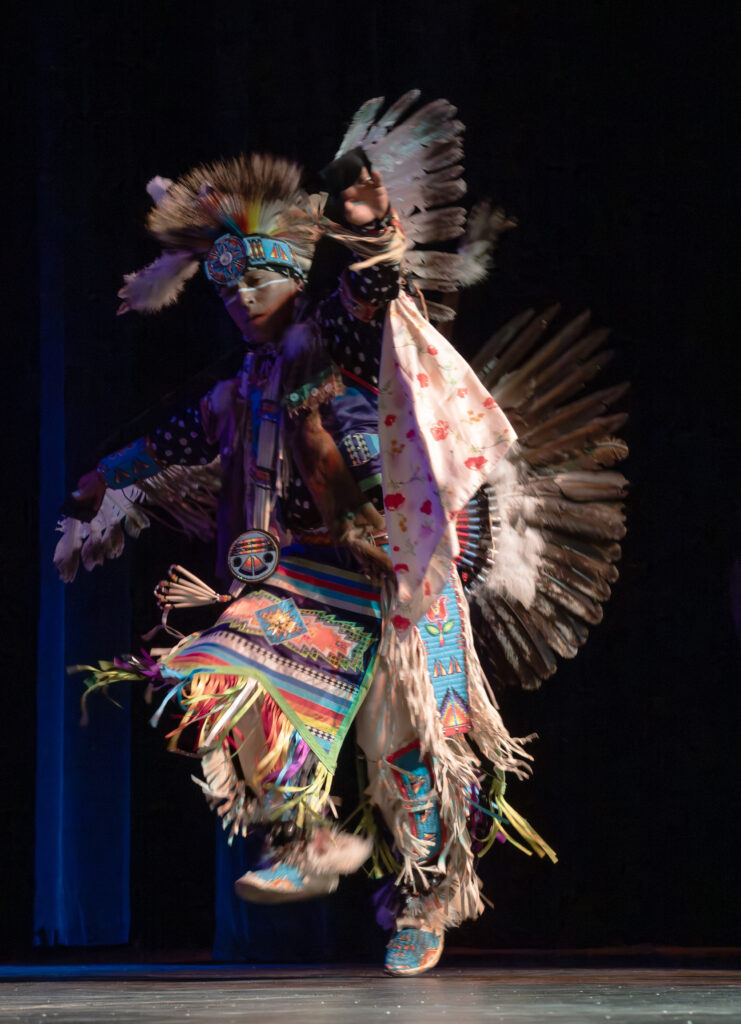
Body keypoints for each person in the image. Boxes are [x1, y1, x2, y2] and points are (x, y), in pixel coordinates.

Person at [58, 93, 627, 977]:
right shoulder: (237, 391)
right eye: (226, 286)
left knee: (404, 745)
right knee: (222, 673)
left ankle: (427, 890)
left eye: (258, 279)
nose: (243, 298)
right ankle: (304, 831)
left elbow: (372, 296)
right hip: (312, 578)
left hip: (396, 569)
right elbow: (171, 439)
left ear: (295, 272)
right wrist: (107, 479)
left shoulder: (329, 337)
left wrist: (372, 235)